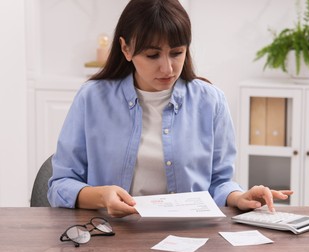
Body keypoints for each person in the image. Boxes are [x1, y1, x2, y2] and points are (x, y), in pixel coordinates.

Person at [47, 0, 293, 218]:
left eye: (177, 53)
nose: (168, 68)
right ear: (126, 49)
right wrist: (101, 196)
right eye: (153, 55)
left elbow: (219, 183)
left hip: (189, 236)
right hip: (112, 235)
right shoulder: (92, 98)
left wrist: (239, 197)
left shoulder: (211, 101)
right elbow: (59, 185)